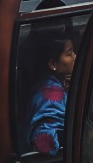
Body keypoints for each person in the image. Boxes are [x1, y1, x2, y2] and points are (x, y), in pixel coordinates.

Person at [22, 27, 75, 156]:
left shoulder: (56, 82)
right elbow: (45, 143)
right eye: (69, 53)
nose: (75, 57)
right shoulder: (52, 97)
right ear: (53, 64)